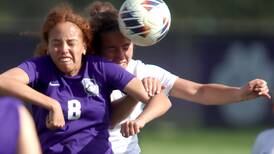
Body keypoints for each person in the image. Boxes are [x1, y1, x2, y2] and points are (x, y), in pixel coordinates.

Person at [87, 1, 271, 154]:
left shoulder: (141, 70)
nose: (121, 55)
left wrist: (240, 93)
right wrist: (137, 94)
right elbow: (107, 120)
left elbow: (198, 91)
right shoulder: (84, 72)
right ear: (96, 48)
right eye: (111, 49)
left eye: (126, 46)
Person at [0, 3, 171, 154]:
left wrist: (140, 121)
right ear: (48, 48)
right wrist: (51, 104)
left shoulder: (99, 67)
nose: (64, 49)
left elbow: (161, 99)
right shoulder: (40, 67)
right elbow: (3, 81)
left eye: (71, 42)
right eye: (56, 43)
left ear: (83, 46)